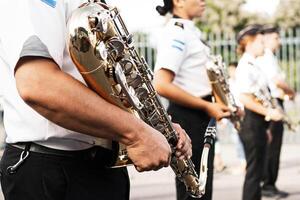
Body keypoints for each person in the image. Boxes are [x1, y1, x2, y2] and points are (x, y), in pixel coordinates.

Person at [0, 1, 192, 200]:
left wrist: (158, 129)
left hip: (99, 166)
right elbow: (37, 83)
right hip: (51, 171)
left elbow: (110, 87)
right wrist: (137, 134)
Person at [154, 0, 231, 199]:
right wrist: (207, 105)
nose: (203, 1)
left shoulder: (190, 31)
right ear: (177, 2)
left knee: (202, 188)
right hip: (189, 118)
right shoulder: (176, 32)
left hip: (200, 114)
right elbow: (161, 84)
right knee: (194, 190)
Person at [235, 24, 283, 200]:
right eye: (260, 42)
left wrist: (266, 127)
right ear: (249, 43)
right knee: (254, 172)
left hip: (258, 123)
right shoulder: (245, 66)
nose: (264, 46)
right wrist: (269, 112)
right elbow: (245, 97)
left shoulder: (254, 64)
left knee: (257, 170)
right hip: (250, 121)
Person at [256, 24, 296, 198]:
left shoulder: (268, 56)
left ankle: (269, 183)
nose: (278, 41)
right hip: (271, 104)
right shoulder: (266, 56)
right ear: (266, 38)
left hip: (273, 102)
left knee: (272, 146)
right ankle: (268, 185)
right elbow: (277, 81)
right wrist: (291, 92)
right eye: (276, 37)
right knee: (272, 147)